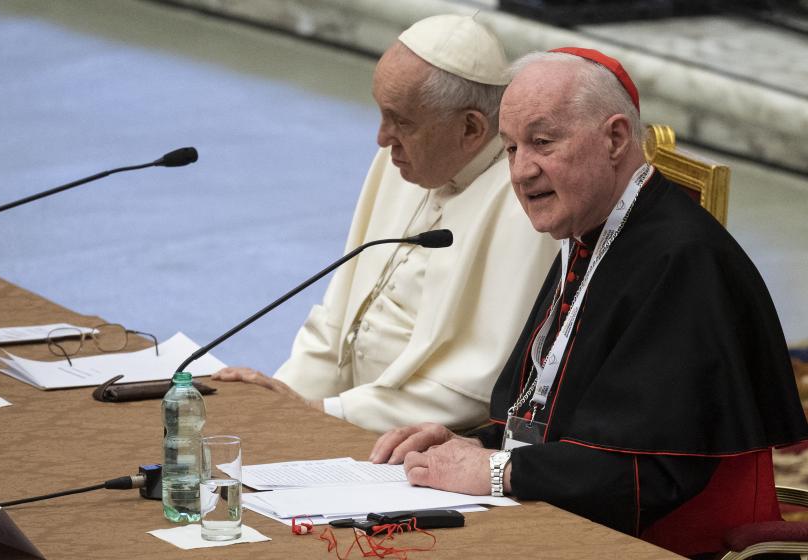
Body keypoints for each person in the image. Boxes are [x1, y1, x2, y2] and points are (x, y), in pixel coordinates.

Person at [370, 47, 808, 557]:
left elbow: (650, 472)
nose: (521, 171)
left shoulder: (684, 261)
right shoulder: (588, 236)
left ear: (616, 139)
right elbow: (560, 413)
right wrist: (477, 444)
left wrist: (497, 471)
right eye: (511, 148)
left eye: (542, 142)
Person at [213, 15, 557, 433]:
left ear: (471, 127)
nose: (381, 138)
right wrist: (281, 400)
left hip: (422, 443)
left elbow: (473, 389)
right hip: (343, 416)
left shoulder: (523, 198)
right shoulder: (399, 161)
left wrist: (323, 413)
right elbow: (336, 321)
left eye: (402, 122)